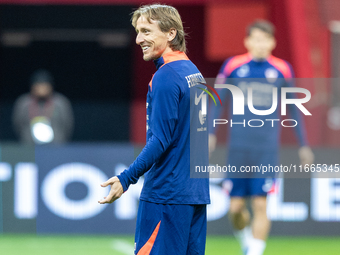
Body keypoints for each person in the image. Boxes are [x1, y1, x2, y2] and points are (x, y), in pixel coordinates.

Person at [98, 4, 210, 255]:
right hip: (194, 194)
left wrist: (126, 178)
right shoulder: (194, 73)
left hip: (166, 195)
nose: (139, 39)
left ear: (171, 33)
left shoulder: (166, 76)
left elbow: (160, 140)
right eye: (138, 32)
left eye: (147, 31)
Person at [209, 20, 314, 255]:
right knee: (235, 208)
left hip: (266, 149)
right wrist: (210, 133)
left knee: (260, 203)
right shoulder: (233, 66)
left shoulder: (282, 69)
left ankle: (254, 251)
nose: (260, 44)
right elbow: (218, 101)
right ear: (247, 42)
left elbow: (294, 109)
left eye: (265, 39)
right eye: (255, 39)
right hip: (238, 148)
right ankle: (249, 242)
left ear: (272, 42)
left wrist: (303, 145)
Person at [12, 69, 74, 144]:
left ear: (51, 87)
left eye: (45, 86)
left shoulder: (60, 102)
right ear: (32, 87)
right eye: (38, 85)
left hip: (56, 147)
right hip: (29, 147)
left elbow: (67, 125)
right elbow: (18, 124)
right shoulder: (23, 102)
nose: (41, 89)